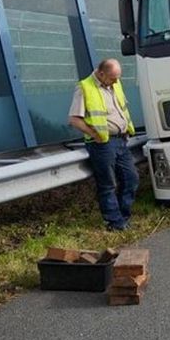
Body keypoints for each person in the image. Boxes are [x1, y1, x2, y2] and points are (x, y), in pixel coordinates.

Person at [68, 59, 138, 231]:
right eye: (113, 78)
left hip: (121, 140)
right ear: (101, 74)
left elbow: (121, 109)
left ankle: (123, 217)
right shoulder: (84, 87)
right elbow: (74, 119)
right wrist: (94, 134)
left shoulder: (114, 83)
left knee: (131, 178)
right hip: (102, 144)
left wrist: (126, 128)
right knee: (108, 184)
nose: (116, 82)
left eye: (117, 78)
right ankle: (114, 222)